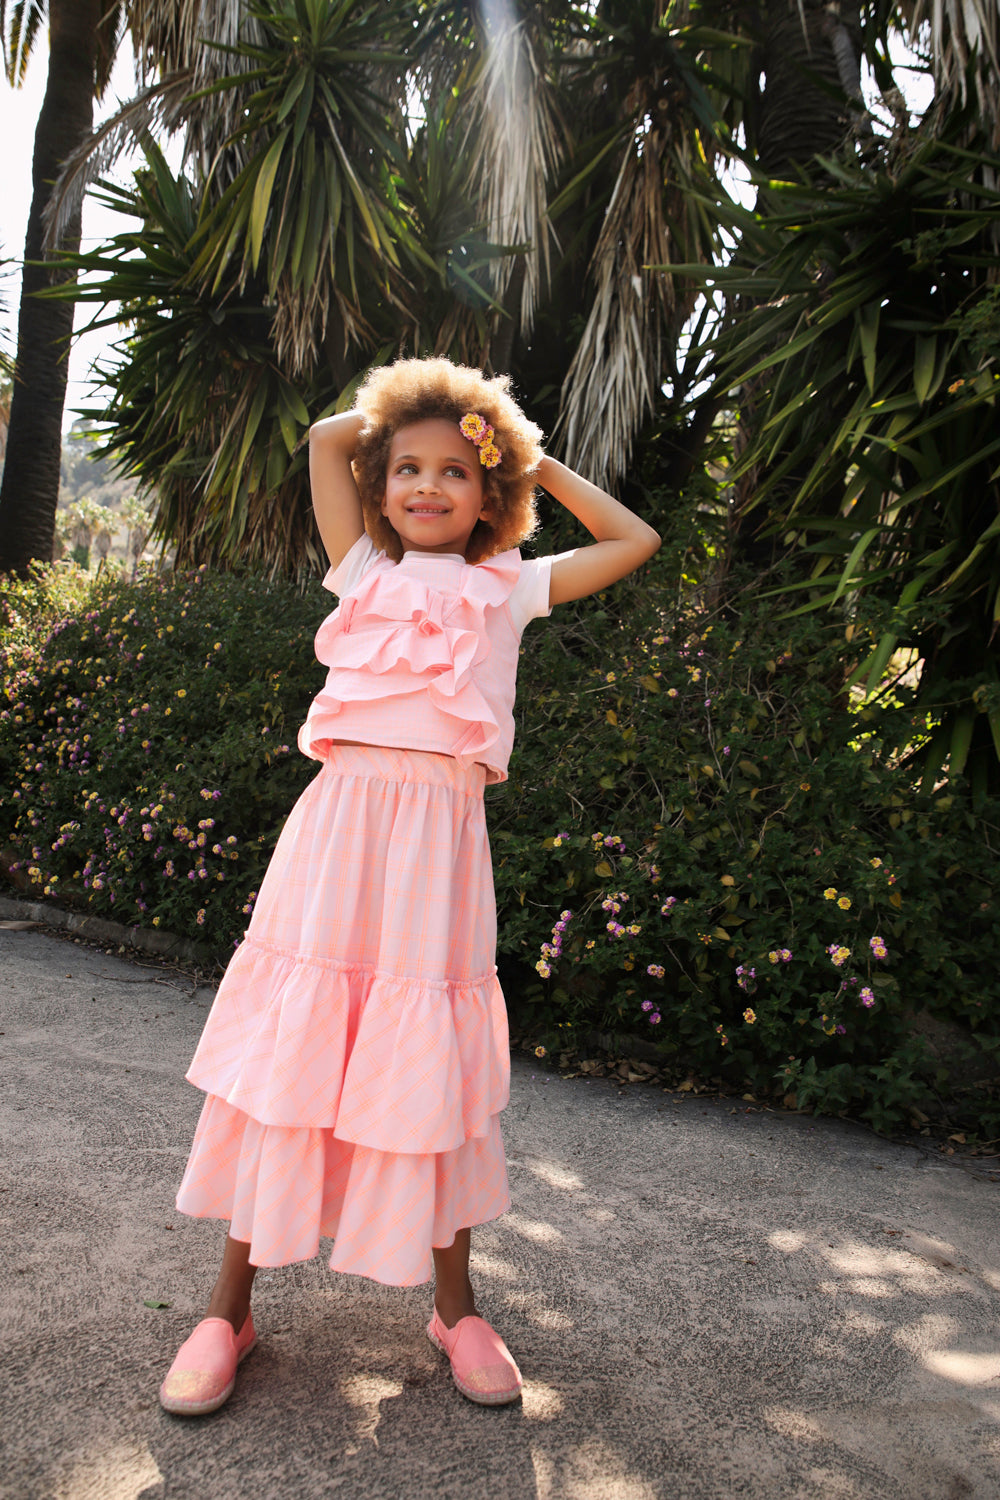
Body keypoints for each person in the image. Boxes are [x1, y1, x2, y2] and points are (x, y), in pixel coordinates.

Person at [159, 356, 659, 1416]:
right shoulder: (362, 573)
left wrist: (521, 447)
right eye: (406, 470)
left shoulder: (509, 586)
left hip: (438, 852)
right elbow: (320, 442)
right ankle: (229, 1308)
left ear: (491, 495)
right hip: (336, 837)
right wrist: (425, 406)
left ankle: (455, 1306)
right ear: (380, 487)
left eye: (454, 472)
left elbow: (633, 541)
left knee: (427, 1066)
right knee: (291, 1057)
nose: (427, 486)